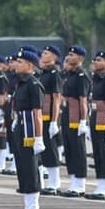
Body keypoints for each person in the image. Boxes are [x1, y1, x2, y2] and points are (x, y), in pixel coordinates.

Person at [9, 50, 45, 209]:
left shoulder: (33, 84)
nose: (16, 64)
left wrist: (39, 138)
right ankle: (27, 207)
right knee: (22, 168)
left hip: (30, 132)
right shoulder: (20, 83)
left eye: (20, 61)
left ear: (30, 65)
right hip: (21, 128)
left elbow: (37, 114)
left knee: (30, 169)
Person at [59, 46, 91, 197]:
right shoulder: (69, 75)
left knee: (78, 149)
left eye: (72, 55)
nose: (69, 57)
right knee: (69, 148)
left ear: (80, 58)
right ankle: (73, 182)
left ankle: (80, 184)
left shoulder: (81, 76)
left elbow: (83, 101)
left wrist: (83, 121)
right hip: (67, 113)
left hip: (76, 114)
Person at [85, 51, 105, 199]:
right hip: (95, 117)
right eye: (94, 60)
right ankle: (101, 184)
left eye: (99, 60)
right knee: (97, 151)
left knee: (104, 151)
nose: (95, 62)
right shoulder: (95, 79)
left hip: (103, 119)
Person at [38, 46, 64, 195]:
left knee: (52, 149)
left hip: (50, 117)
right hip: (42, 115)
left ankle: (54, 182)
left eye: (46, 53)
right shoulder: (44, 73)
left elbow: (57, 98)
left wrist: (55, 121)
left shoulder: (55, 74)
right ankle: (47, 182)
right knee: (45, 150)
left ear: (54, 56)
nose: (43, 54)